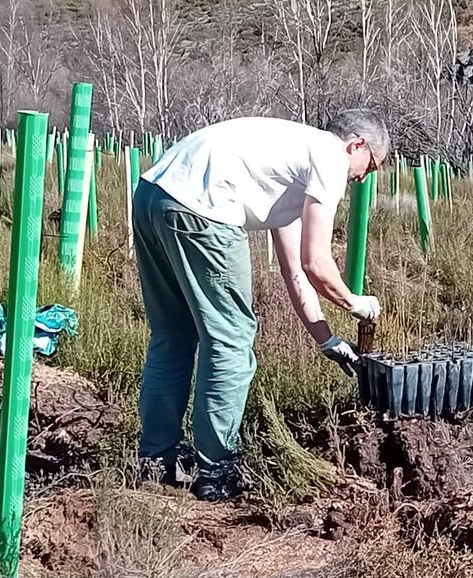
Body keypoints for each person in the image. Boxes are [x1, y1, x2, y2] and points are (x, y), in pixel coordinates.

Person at [134, 110, 389, 501]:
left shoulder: (289, 163)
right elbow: (317, 263)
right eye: (370, 165)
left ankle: (156, 461)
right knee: (231, 342)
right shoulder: (330, 156)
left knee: (174, 335)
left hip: (152, 196)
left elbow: (295, 272)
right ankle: (217, 472)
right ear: (356, 144)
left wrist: (326, 338)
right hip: (202, 211)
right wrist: (356, 304)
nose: (364, 178)